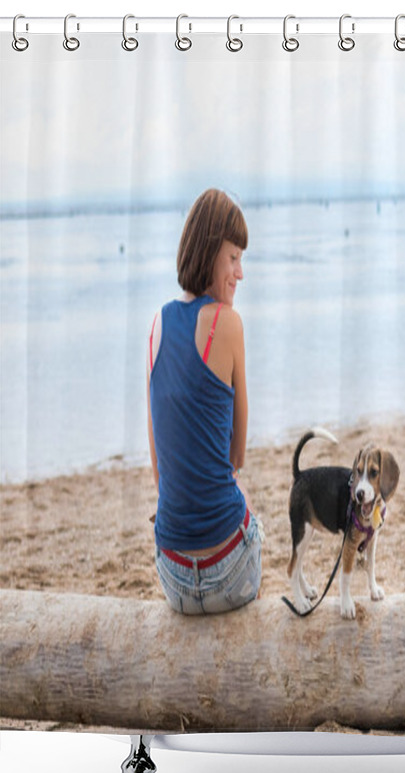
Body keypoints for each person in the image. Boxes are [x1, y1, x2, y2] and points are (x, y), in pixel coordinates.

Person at [146, 188, 261, 614]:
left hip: (172, 576)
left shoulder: (157, 324)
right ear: (211, 253)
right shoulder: (228, 324)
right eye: (233, 258)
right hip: (227, 572)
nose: (240, 273)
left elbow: (160, 469)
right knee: (244, 503)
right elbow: (237, 454)